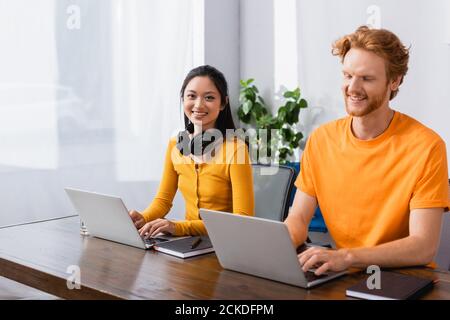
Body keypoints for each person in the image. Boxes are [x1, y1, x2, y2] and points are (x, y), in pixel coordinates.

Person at [284, 26, 449, 275]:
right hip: (340, 273)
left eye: (366, 78)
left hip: (402, 278)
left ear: (395, 81)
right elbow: (297, 219)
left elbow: (423, 246)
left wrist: (347, 257)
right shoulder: (321, 139)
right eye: (348, 75)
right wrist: (271, 247)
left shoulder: (427, 146)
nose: (353, 87)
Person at [129, 65, 254, 237]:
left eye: (209, 97)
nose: (198, 104)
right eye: (191, 96)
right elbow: (163, 201)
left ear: (223, 103)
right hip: (188, 245)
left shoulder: (236, 150)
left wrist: (178, 227)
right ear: (183, 99)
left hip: (225, 245)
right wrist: (142, 218)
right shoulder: (176, 144)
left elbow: (242, 220)